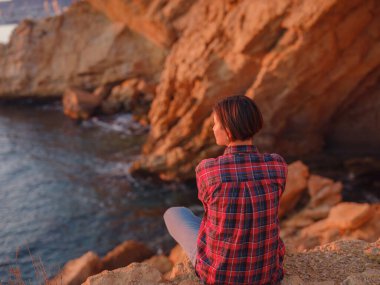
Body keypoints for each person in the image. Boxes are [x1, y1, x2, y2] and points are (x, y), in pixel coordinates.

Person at [164, 95, 288, 285]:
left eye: (215, 124)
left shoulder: (207, 170)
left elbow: (209, 212)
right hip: (266, 277)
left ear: (228, 131)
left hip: (218, 277)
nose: (213, 129)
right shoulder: (277, 166)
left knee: (174, 213)